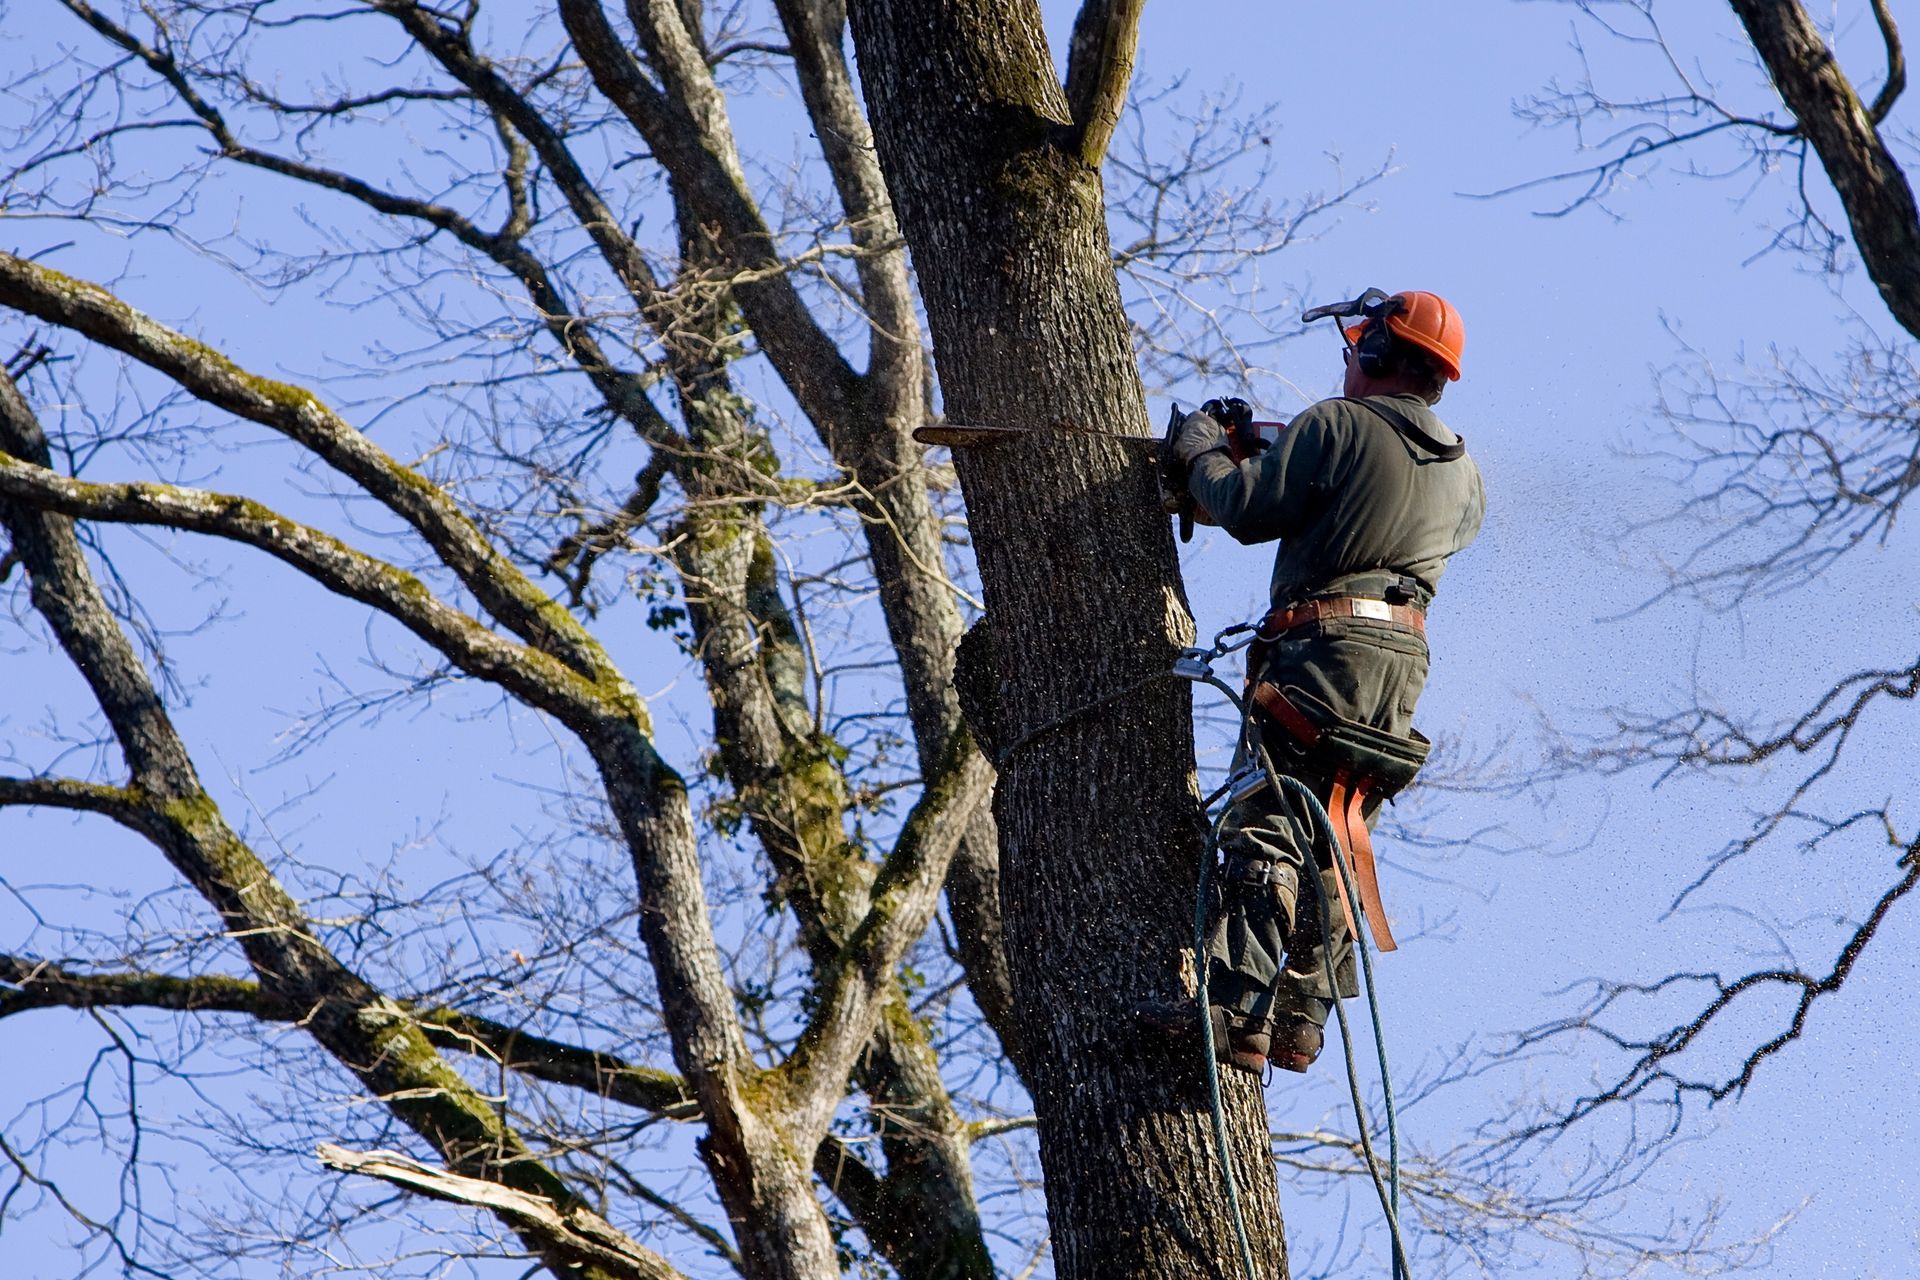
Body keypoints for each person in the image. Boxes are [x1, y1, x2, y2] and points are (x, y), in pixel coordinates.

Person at [1142, 289, 1486, 1075]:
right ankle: (1302, 1019)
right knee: (1334, 824)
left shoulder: (1336, 426)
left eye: (1356, 347)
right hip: (1400, 664)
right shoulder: (1464, 476)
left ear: (1374, 356)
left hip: (1321, 645)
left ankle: (1232, 1012)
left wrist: (1203, 451)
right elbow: (1379, 506)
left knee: (1270, 818)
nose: (1346, 360)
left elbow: (1241, 505)